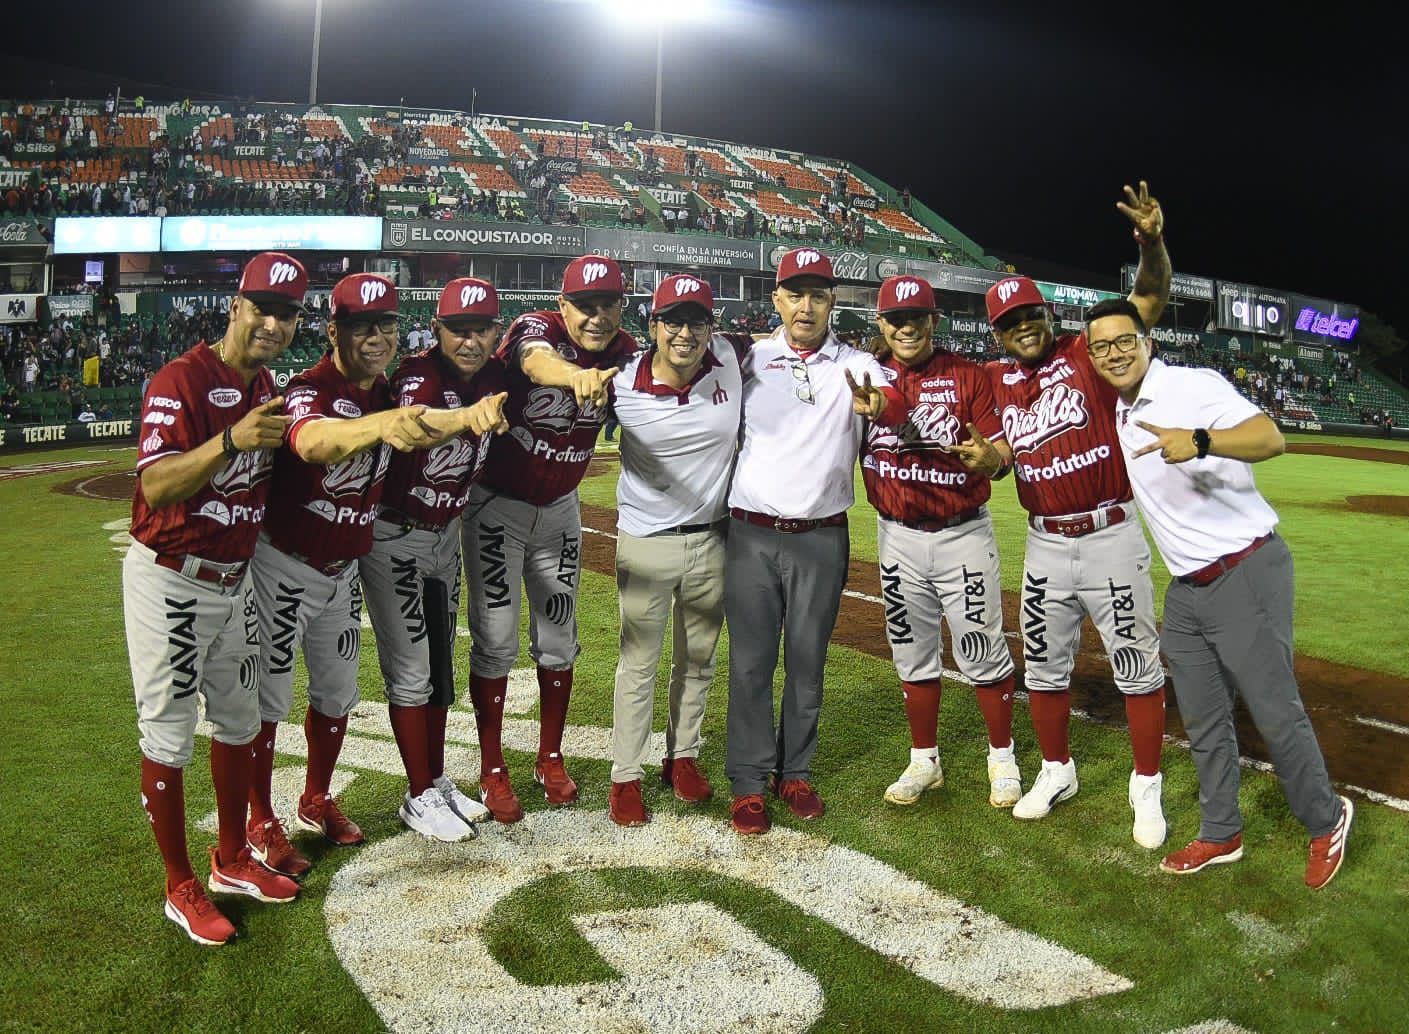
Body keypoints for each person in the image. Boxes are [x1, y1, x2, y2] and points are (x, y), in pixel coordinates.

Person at [1085, 298, 1353, 889]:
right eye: (1101, 346)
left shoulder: (1191, 385)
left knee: (1274, 711)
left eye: (1124, 340)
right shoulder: (1121, 410)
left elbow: (1270, 437)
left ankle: (1326, 818)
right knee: (1204, 720)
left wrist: (1202, 440)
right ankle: (1221, 831)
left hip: (1245, 569)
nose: (1114, 353)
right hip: (1187, 590)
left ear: (1147, 342)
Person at [246, 274, 490, 876]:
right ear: (334, 331)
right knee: (268, 699)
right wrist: (381, 426)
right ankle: (259, 819)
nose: (376, 337)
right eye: (361, 326)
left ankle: (316, 798)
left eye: (385, 325)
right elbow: (313, 443)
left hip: (341, 569)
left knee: (336, 694)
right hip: (284, 564)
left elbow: (426, 424)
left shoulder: (389, 390)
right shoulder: (310, 387)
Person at [122, 252, 308, 945]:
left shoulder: (267, 385)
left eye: (286, 315)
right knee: (169, 733)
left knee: (239, 720)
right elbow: (156, 486)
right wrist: (230, 440)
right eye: (262, 309)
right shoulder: (182, 379)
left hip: (235, 581)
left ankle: (232, 857)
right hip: (173, 576)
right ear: (235, 307)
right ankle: (180, 885)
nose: (272, 324)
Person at [983, 182, 1173, 848]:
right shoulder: (996, 380)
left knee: (1136, 665)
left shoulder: (1085, 354)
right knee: (1041, 666)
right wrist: (987, 458)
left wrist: (1151, 244)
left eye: (1030, 314)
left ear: (1047, 314)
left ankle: (1145, 787)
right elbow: (1000, 452)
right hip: (1044, 544)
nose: (1022, 326)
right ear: (997, 332)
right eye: (1009, 322)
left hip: (1109, 533)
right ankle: (1056, 771)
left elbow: (1146, 300)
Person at [724, 248, 904, 835]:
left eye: (818, 295)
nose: (806, 306)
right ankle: (750, 781)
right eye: (795, 294)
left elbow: (894, 402)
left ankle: (794, 772)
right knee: (751, 665)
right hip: (750, 533)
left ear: (833, 302)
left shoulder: (856, 364)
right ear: (777, 299)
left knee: (807, 664)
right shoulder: (750, 358)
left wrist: (881, 405)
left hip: (822, 537)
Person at [462, 255, 638, 823]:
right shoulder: (535, 327)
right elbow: (534, 361)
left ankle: (549, 756)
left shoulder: (625, 350)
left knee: (560, 637)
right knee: (495, 638)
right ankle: (492, 766)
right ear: (563, 305)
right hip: (498, 507)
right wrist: (574, 375)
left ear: (621, 307)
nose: (596, 316)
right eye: (584, 305)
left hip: (560, 509)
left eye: (607, 304)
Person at [359, 278, 509, 842]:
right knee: (412, 669)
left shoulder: (493, 377)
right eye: (458, 330)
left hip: (445, 534)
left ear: (496, 332)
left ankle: (437, 780)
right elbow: (413, 427)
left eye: (481, 330)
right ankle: (417, 794)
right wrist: (468, 417)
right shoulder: (419, 375)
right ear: (437, 330)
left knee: (440, 664)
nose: (470, 342)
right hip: (397, 534)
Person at [861, 276, 1019, 807]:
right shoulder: (866, 374)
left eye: (916, 317)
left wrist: (994, 461)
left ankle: (1002, 758)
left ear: (934, 320)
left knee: (981, 648)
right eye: (895, 319)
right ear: (882, 323)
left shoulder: (969, 376)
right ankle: (924, 760)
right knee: (911, 651)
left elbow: (999, 449)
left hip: (961, 533)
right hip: (896, 534)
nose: (905, 328)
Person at [604, 275, 745, 826]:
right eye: (673, 321)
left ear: (712, 328)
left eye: (696, 322)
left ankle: (681, 755)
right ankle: (625, 775)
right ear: (653, 325)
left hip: (712, 538)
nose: (684, 333)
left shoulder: (731, 358)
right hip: (646, 543)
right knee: (638, 664)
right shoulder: (620, 380)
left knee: (699, 659)